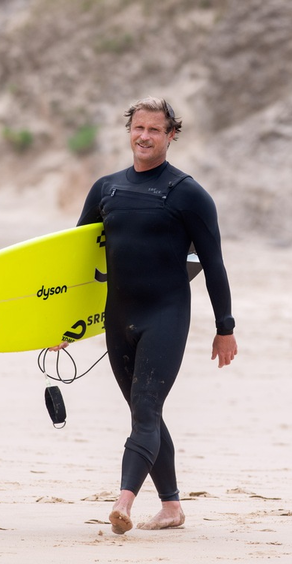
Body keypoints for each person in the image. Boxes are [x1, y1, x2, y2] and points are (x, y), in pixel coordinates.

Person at [51, 97, 237, 534]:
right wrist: (64, 325)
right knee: (142, 414)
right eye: (139, 128)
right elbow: (77, 263)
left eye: (155, 130)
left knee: (147, 409)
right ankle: (171, 508)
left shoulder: (188, 194)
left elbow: (214, 265)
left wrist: (224, 329)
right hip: (117, 318)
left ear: (172, 135)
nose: (145, 137)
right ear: (129, 131)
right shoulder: (106, 189)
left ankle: (123, 503)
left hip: (165, 314)